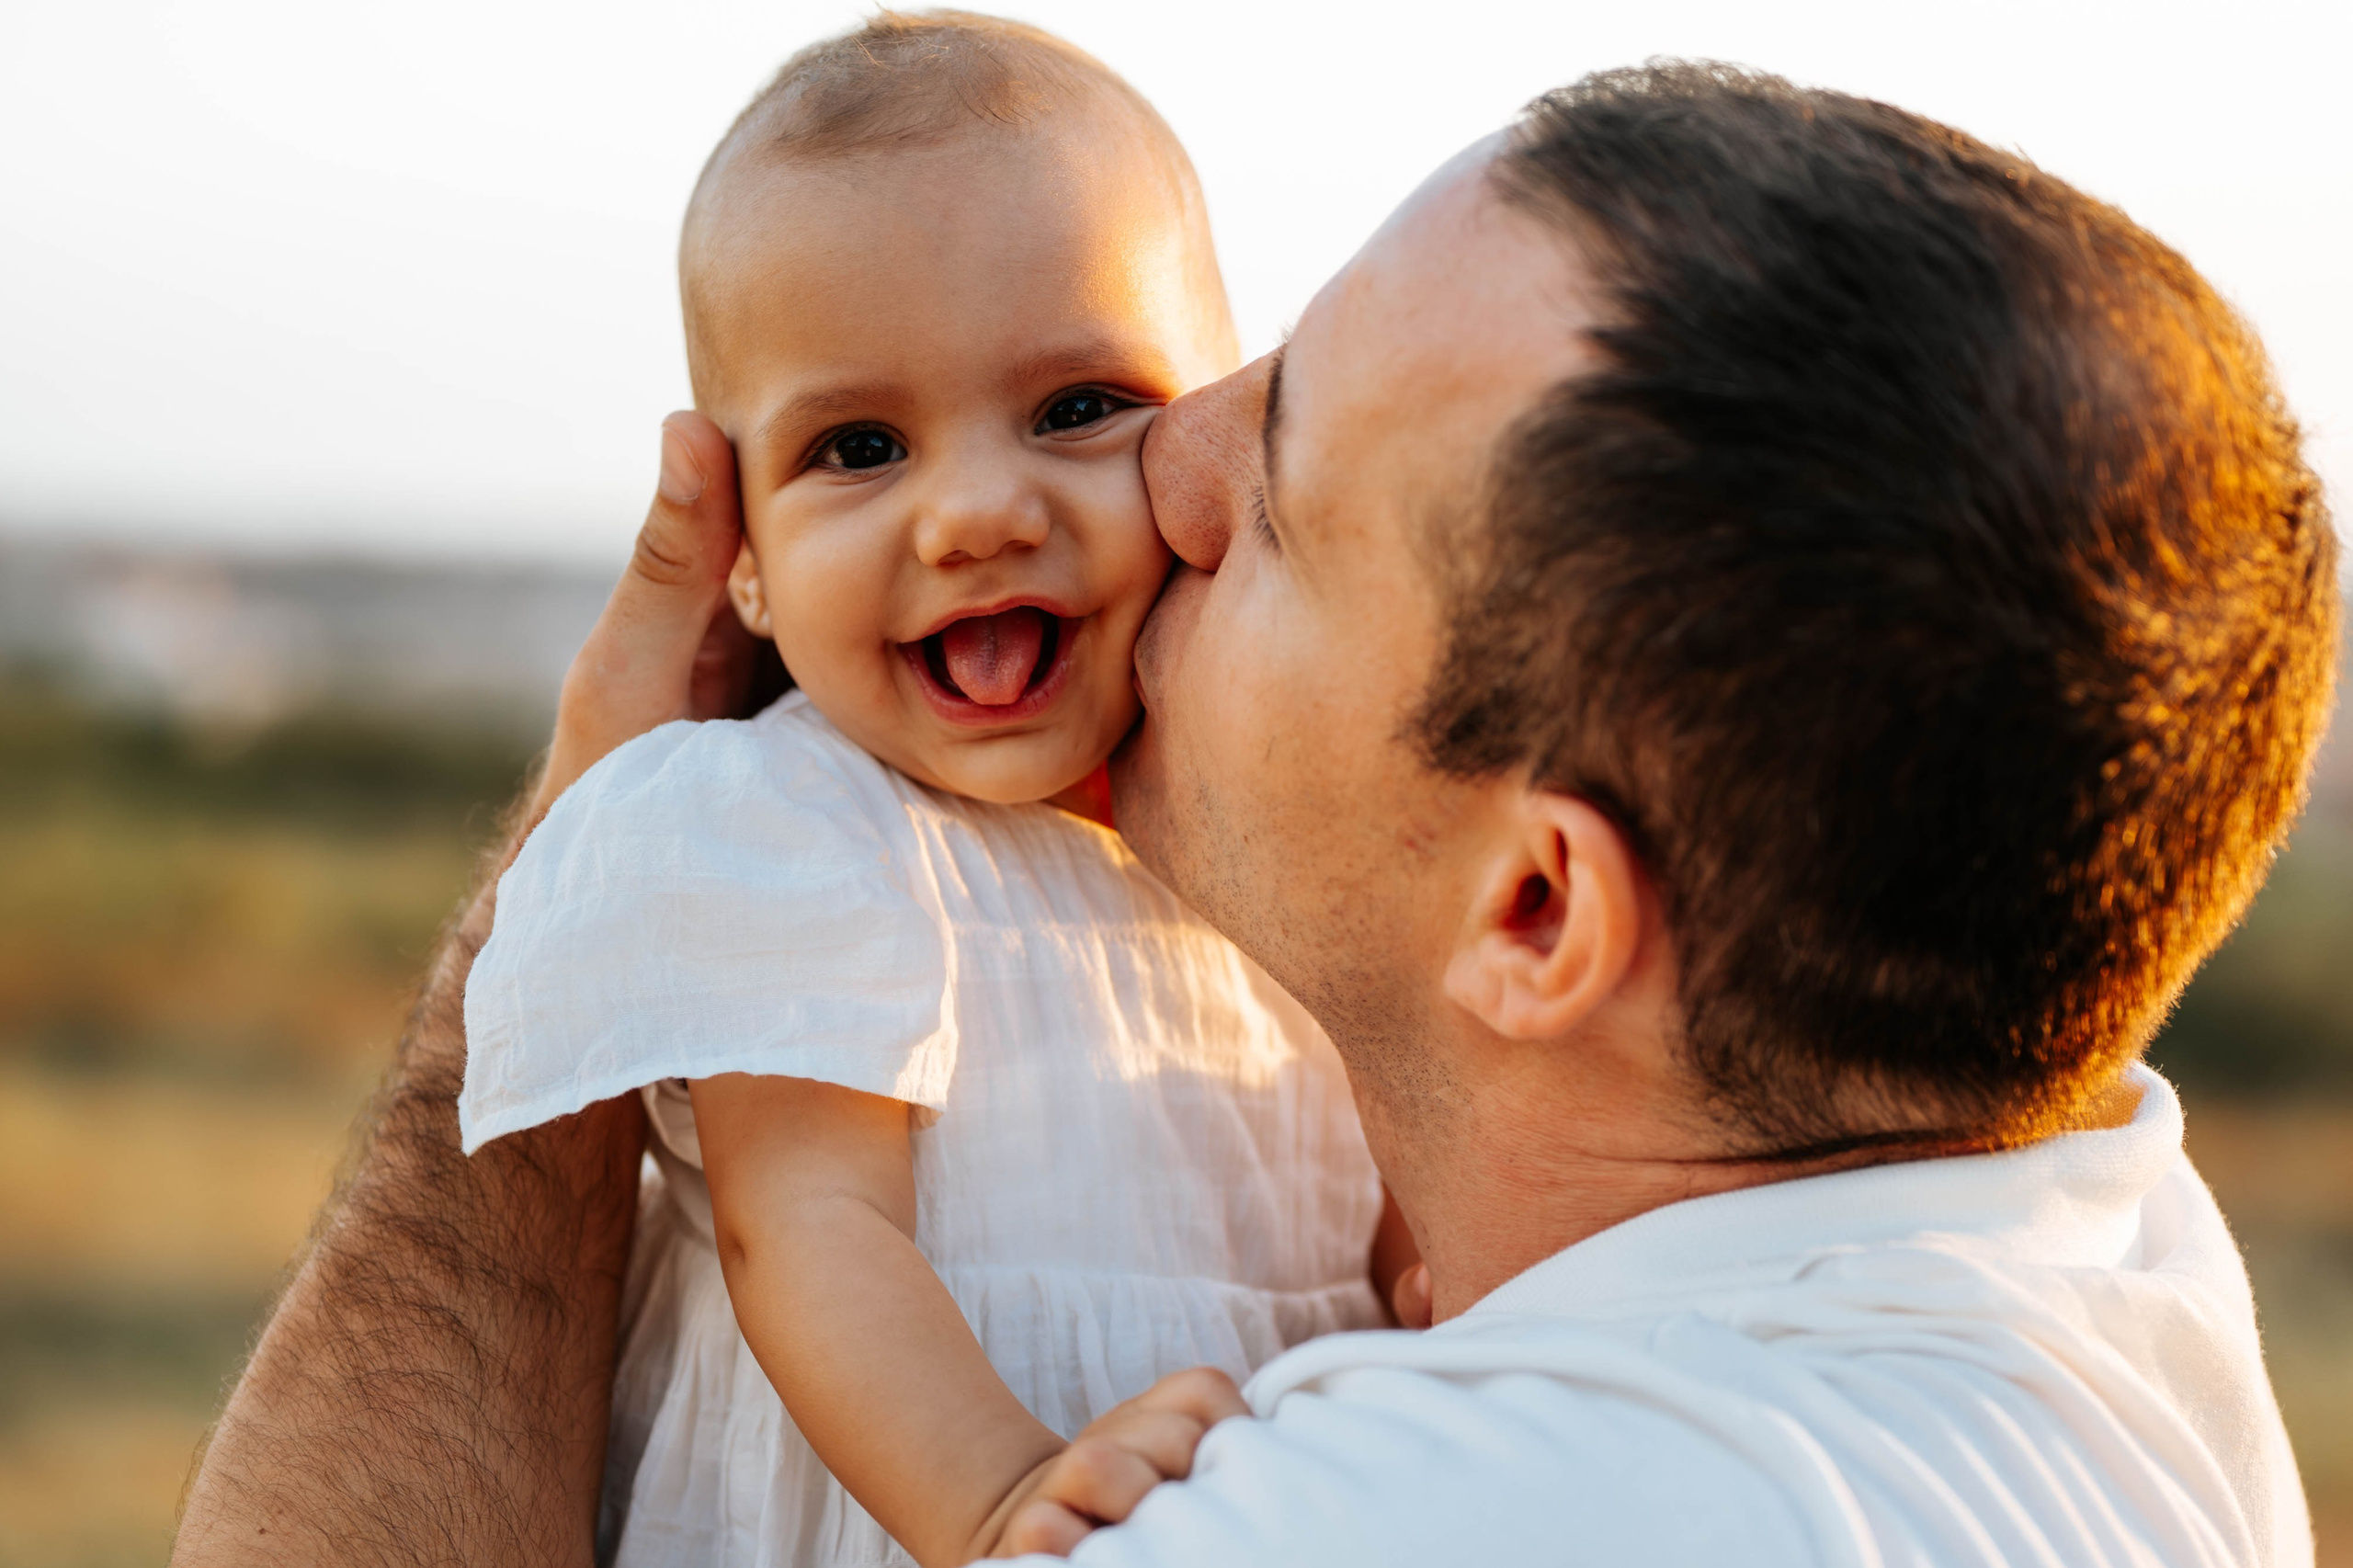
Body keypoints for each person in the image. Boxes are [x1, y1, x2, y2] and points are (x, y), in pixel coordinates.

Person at [173, 60, 2338, 1568]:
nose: (1161, 484)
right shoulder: (2089, 1238)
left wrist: (550, 917)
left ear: (1529, 912)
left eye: (1279, 487)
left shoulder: (1395, 1520)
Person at [456, 15, 1405, 1568]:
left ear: (1223, 433)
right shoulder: (787, 830)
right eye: (862, 444)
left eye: (1080, 406)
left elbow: (1369, 1176)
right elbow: (808, 1228)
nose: (973, 510)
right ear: (744, 557)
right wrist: (993, 1493)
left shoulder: (1282, 839)